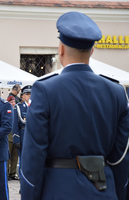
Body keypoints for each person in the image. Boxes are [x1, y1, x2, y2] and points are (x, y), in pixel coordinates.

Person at [20, 11, 129, 200]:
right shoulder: (117, 92)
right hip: (105, 191)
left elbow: (33, 156)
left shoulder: (45, 90)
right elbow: (121, 158)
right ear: (92, 51)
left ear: (60, 49)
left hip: (58, 191)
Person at [12, 85, 31, 193]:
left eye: (30, 94)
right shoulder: (18, 107)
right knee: (23, 163)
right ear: (22, 96)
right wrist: (16, 139)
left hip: (34, 138)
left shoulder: (36, 106)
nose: (29, 96)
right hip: (23, 137)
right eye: (27, 94)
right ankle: (22, 185)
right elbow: (15, 125)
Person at [6, 95, 19, 181]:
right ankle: (6, 173)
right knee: (8, 156)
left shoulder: (17, 110)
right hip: (8, 136)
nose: (13, 103)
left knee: (15, 156)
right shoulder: (7, 111)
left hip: (15, 137)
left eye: (14, 102)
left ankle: (13, 173)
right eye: (11, 102)